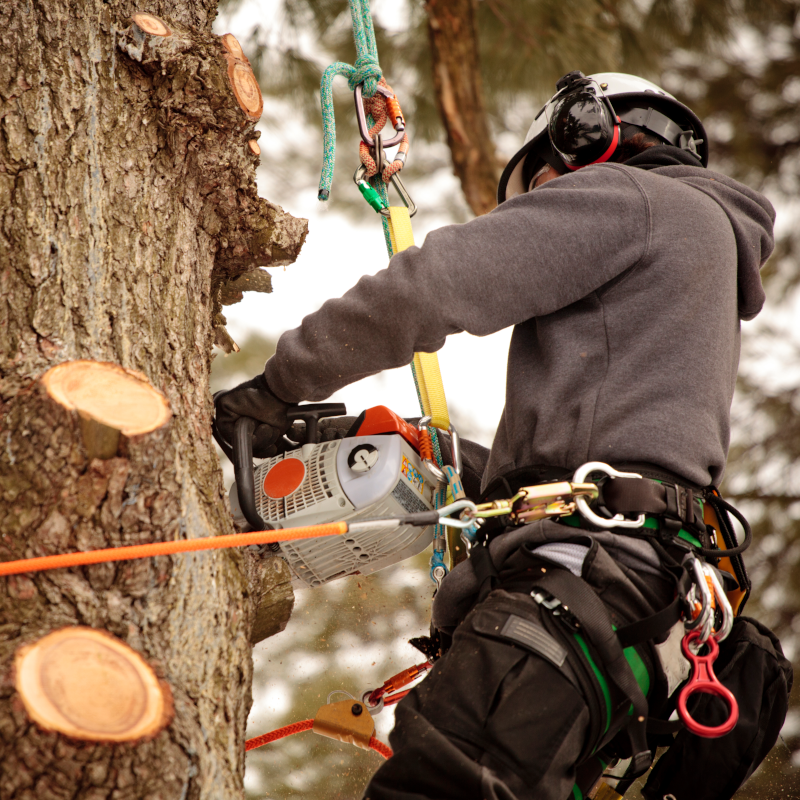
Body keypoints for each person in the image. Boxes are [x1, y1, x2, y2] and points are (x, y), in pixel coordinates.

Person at [215, 72, 782, 799]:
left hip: (570, 598)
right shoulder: (698, 251)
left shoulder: (631, 197)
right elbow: (608, 468)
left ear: (587, 138)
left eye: (543, 184)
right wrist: (439, 456)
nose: (543, 203)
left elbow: (433, 288)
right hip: (632, 612)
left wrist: (274, 388)